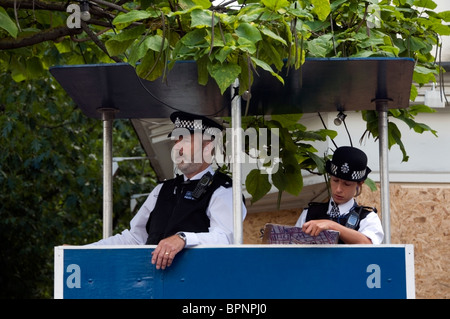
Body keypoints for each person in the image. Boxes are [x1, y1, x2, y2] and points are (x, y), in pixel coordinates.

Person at [89, 111, 247, 269]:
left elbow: (225, 238)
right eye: (176, 142)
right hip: (153, 287)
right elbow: (134, 238)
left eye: (184, 141)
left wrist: (183, 239)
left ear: (207, 147)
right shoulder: (162, 190)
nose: (177, 148)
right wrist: (84, 251)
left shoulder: (223, 190)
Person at [294, 146, 384, 244]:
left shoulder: (367, 218)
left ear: (360, 183)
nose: (338, 189)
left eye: (347, 184)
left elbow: (368, 245)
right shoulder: (309, 214)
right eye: (335, 180)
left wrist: (332, 225)